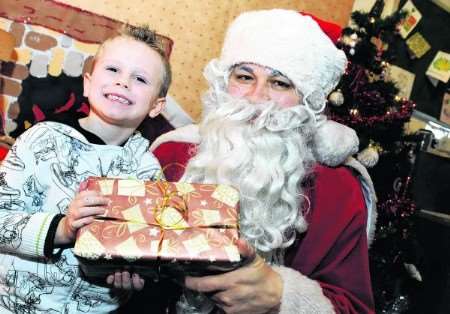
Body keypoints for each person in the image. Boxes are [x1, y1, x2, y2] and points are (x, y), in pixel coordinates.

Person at [151, 9, 376, 313]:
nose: (256, 97)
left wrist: (283, 296)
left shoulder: (339, 190)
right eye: (244, 77)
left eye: (280, 83)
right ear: (223, 84)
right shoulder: (170, 155)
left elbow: (355, 307)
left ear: (306, 100)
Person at [0, 24, 171, 313]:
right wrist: (62, 229)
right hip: (11, 302)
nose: (124, 82)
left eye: (140, 78)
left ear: (156, 105)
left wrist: (135, 277)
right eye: (113, 70)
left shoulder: (150, 175)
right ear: (88, 83)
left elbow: (154, 253)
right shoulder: (42, 139)